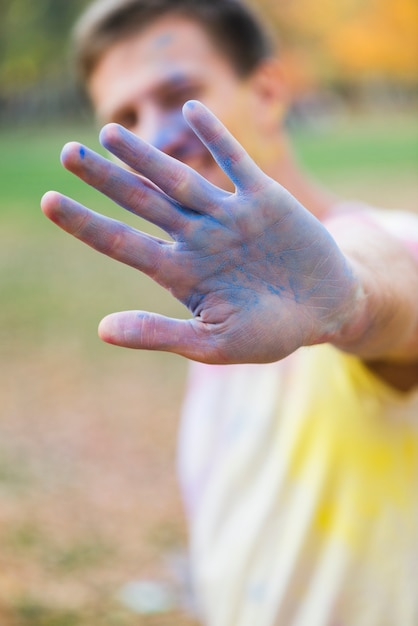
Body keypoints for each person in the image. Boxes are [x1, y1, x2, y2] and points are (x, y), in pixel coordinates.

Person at [41, 0, 418, 624]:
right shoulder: (226, 301)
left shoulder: (380, 246)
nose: (154, 136)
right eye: (124, 117)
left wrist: (348, 300)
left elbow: (395, 290)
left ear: (268, 93)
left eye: (180, 94)